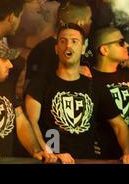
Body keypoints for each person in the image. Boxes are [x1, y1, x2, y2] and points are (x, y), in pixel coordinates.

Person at [25, 23, 129, 164]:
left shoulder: (95, 85)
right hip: (55, 161)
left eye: (74, 41)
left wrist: (127, 151)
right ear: (56, 48)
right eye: (63, 41)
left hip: (88, 160)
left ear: (83, 48)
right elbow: (32, 122)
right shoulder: (42, 81)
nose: (68, 45)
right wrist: (51, 152)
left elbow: (119, 125)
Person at [25, 0, 93, 87]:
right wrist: (71, 71)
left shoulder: (87, 46)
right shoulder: (43, 51)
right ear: (80, 23)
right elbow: (30, 87)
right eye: (89, 19)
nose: (91, 22)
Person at [90, 27, 129, 159]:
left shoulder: (127, 74)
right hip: (104, 155)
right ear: (104, 50)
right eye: (121, 42)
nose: (127, 45)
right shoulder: (88, 78)